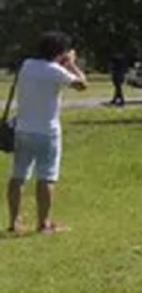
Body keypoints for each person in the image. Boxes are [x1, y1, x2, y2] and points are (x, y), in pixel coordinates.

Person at [7, 31, 88, 234]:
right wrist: (71, 64)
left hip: (22, 128)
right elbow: (82, 84)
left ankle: (14, 221)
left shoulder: (26, 65)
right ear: (60, 52)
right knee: (46, 177)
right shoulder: (56, 71)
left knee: (18, 176)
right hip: (47, 131)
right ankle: (44, 223)